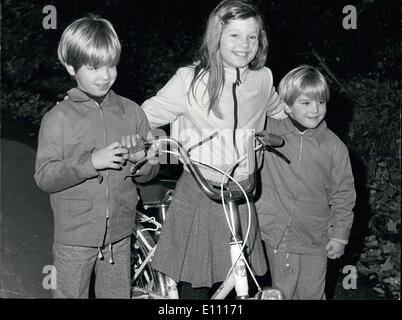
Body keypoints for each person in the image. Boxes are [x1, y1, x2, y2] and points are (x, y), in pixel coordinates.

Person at [141, 0, 285, 299]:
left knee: (240, 278)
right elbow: (143, 116)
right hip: (201, 189)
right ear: (216, 36)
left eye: (252, 36)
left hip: (243, 192)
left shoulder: (263, 78)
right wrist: (147, 136)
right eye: (234, 35)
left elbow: (282, 114)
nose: (244, 45)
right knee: (196, 284)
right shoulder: (190, 80)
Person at [34, 15, 159, 298]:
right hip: (74, 237)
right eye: (94, 67)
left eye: (111, 65)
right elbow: (44, 177)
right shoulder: (58, 118)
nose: (105, 75)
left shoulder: (133, 112)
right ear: (71, 67)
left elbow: (150, 172)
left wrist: (142, 160)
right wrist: (91, 163)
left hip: (120, 235)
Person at [256, 65, 356, 299]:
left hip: (316, 236)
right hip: (277, 233)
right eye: (306, 103)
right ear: (287, 105)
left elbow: (343, 193)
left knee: (312, 293)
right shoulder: (267, 132)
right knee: (281, 292)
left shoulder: (334, 147)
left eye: (321, 102)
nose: (316, 110)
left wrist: (339, 234)